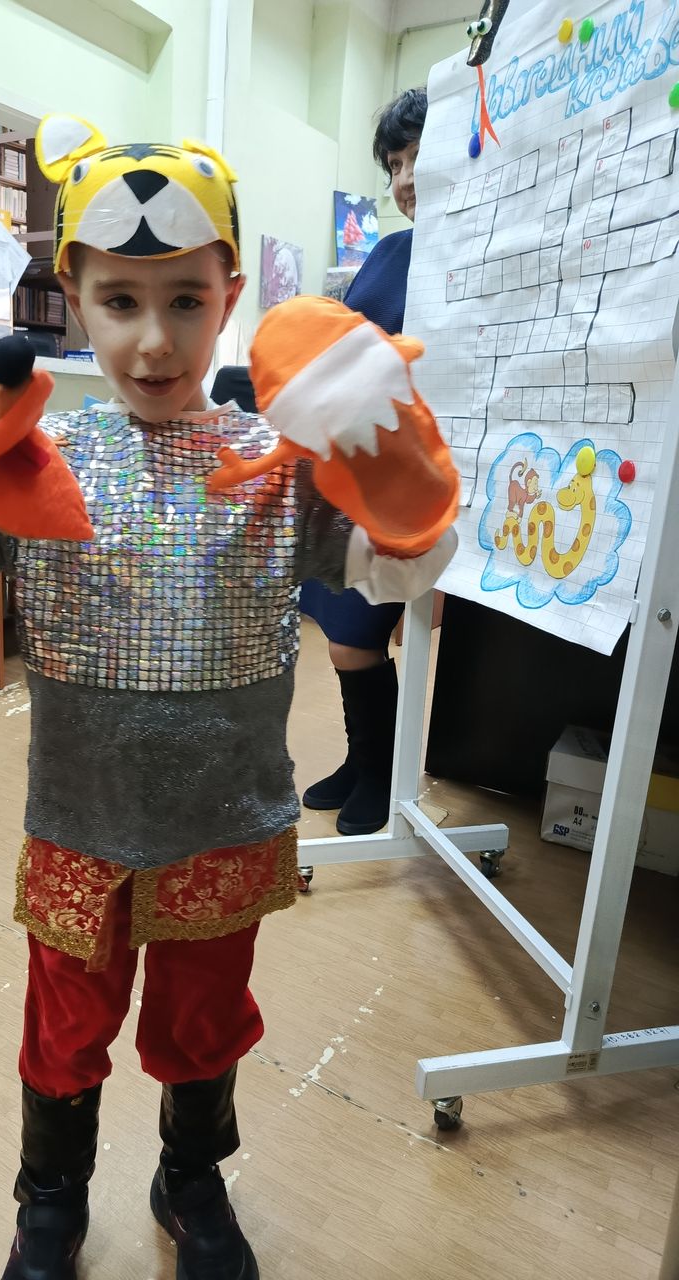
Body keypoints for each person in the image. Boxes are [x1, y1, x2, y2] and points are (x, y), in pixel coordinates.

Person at [0, 114, 452, 1280]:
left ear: (229, 296)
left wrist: (387, 452)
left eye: (186, 300)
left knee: (203, 1021)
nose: (154, 338)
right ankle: (50, 1197)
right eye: (121, 301)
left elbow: (398, 568)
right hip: (81, 819)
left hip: (224, 819)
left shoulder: (275, 464)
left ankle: (189, 1176)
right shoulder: (36, 459)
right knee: (65, 1025)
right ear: (74, 301)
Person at [299, 86, 428, 837]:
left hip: (410, 483)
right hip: (351, 468)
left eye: (415, 157)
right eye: (393, 165)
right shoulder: (389, 250)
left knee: (358, 633)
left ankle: (384, 772)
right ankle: (363, 761)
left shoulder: (479, 264)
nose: (403, 179)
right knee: (340, 631)